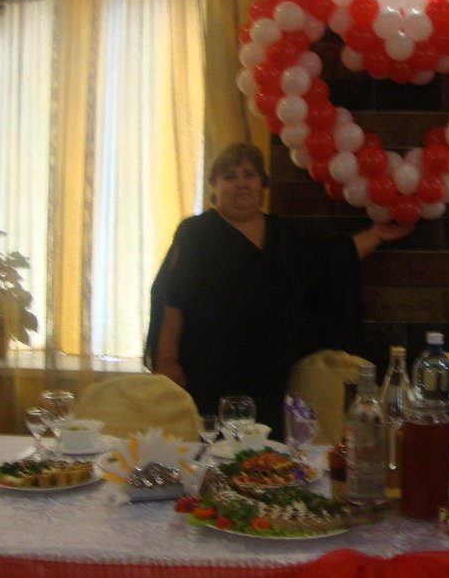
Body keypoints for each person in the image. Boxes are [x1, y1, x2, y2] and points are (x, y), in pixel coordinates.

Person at [144, 143, 411, 439]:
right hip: (209, 369)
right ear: (215, 186)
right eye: (230, 176)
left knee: (265, 453)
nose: (241, 183)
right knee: (214, 451)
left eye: (249, 174)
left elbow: (326, 263)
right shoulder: (196, 233)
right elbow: (172, 297)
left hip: (269, 373)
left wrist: (375, 235)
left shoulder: (284, 235)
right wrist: (166, 360)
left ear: (262, 184)